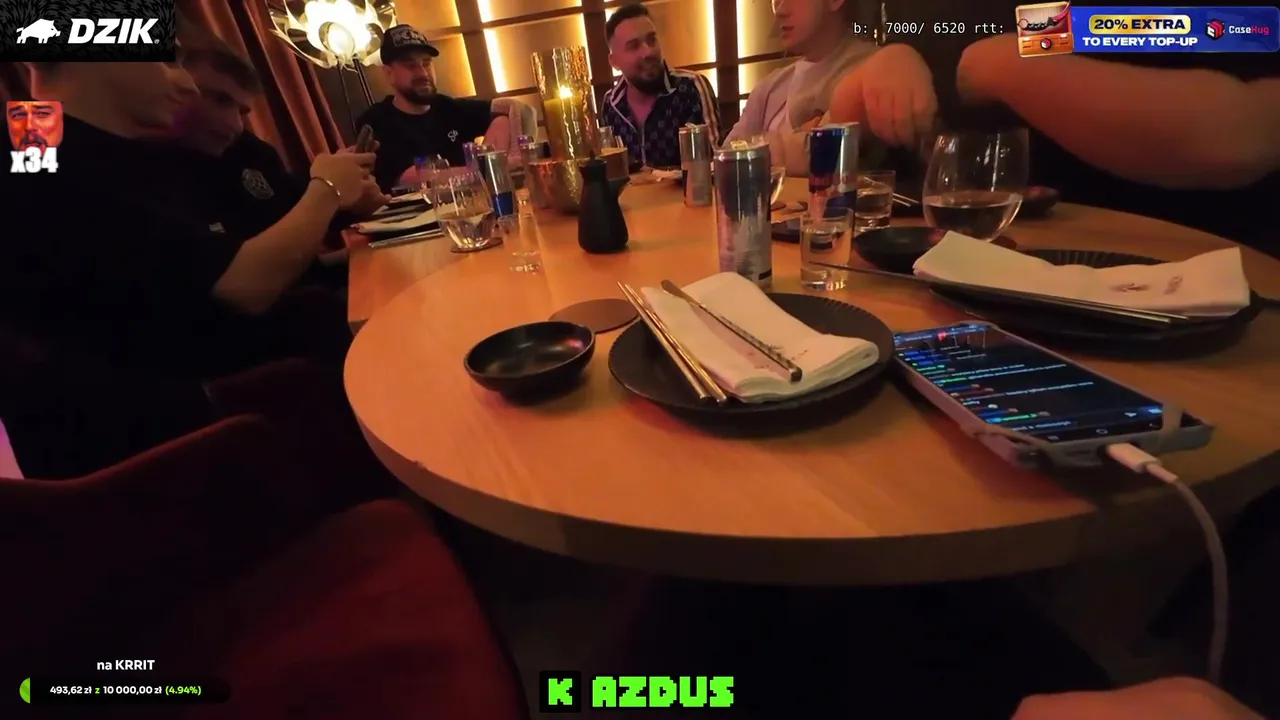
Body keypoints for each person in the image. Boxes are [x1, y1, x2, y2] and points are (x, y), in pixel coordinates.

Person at [0, 57, 375, 382]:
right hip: (196, 419)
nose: (187, 84)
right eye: (167, 61)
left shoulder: (104, 150)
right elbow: (245, 287)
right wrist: (327, 188)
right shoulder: (32, 152)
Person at [828, 0, 1279, 254]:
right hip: (967, 276)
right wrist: (882, 65)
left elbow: (1245, 135)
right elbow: (842, 118)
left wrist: (1002, 66)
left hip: (1184, 288)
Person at [357, 24, 536, 191]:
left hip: (472, 203)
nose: (422, 73)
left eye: (426, 63)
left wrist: (514, 158)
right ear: (389, 74)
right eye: (411, 66)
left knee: (502, 120)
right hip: (420, 212)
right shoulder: (376, 121)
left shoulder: (449, 108)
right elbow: (412, 178)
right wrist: (490, 169)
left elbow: (518, 109)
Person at [723, 0, 881, 175]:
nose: (780, 11)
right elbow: (727, 156)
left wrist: (755, 146)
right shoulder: (771, 85)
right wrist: (799, 136)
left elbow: (819, 154)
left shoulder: (872, 72)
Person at [600, 2, 721, 169]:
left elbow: (714, 165)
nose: (648, 52)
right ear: (614, 62)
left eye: (652, 40)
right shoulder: (611, 104)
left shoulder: (691, 87)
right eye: (634, 46)